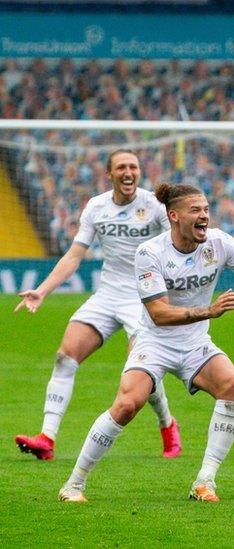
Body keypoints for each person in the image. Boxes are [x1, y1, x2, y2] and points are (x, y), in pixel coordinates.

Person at [57, 183, 234, 503]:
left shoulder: (219, 242)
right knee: (126, 405)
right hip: (155, 341)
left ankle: (205, 481)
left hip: (194, 343)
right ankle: (74, 484)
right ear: (174, 216)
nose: (204, 215)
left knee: (231, 386)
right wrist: (208, 310)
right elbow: (159, 313)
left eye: (206, 209)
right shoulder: (150, 253)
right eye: (196, 210)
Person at [14, 150, 182, 461]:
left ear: (139, 172)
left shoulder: (154, 205)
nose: (128, 172)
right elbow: (75, 255)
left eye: (133, 166)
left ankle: (168, 424)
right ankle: (47, 438)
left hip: (143, 298)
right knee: (65, 356)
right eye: (121, 167)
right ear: (110, 174)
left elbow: (176, 241)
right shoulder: (97, 206)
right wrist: (42, 291)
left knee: (141, 371)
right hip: (107, 295)